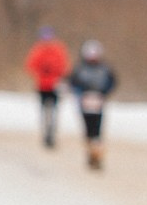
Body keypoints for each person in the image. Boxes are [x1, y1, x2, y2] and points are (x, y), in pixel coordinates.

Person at [69, 40, 119, 171]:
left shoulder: (105, 69)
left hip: (98, 103)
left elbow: (112, 83)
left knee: (97, 131)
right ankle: (90, 153)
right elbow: (73, 82)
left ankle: (97, 155)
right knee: (88, 131)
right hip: (84, 103)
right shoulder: (80, 68)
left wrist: (104, 93)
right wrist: (80, 93)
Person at [26, 29, 71, 149]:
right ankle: (46, 132)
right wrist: (41, 72)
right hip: (42, 85)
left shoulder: (58, 50)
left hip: (55, 85)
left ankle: (51, 133)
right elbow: (31, 66)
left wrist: (59, 76)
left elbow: (64, 66)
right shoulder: (38, 50)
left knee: (54, 111)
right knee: (44, 111)